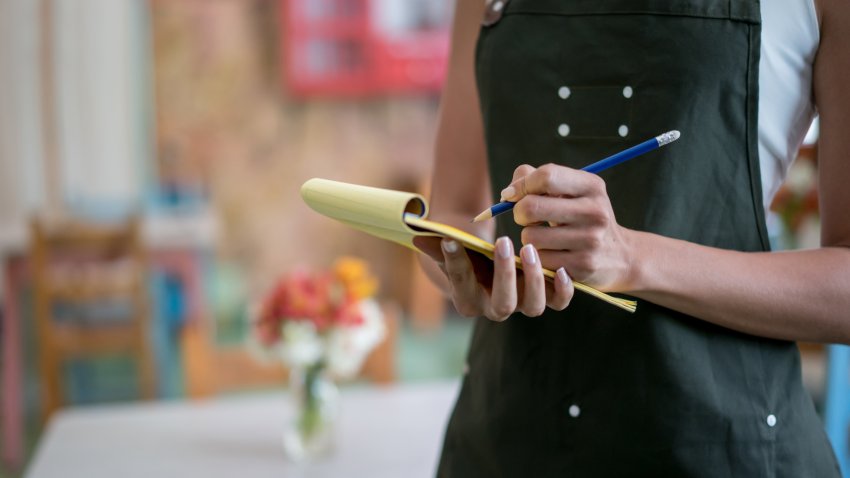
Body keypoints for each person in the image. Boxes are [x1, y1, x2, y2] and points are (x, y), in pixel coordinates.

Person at [415, 0, 850, 475]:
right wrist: (469, 267)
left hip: (725, 447)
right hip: (506, 440)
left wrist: (630, 257)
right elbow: (457, 212)